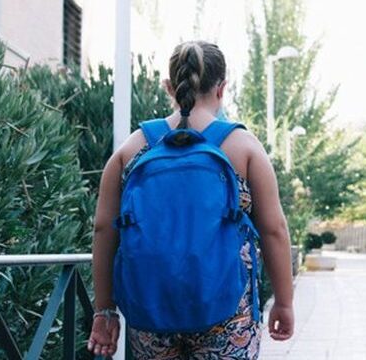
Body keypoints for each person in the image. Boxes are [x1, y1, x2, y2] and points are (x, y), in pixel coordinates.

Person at [88, 41, 294, 359]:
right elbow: (274, 230)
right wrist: (283, 301)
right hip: (228, 310)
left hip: (150, 308)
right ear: (222, 87)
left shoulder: (132, 149)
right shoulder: (243, 147)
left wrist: (105, 310)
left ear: (169, 86)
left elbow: (104, 229)